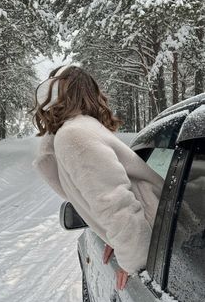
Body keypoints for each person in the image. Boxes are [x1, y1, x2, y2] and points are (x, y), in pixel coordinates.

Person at [31, 65, 164, 290]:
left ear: (55, 93)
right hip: (160, 233)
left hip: (157, 240)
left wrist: (133, 258)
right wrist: (113, 236)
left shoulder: (75, 135)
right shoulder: (82, 131)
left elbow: (116, 205)